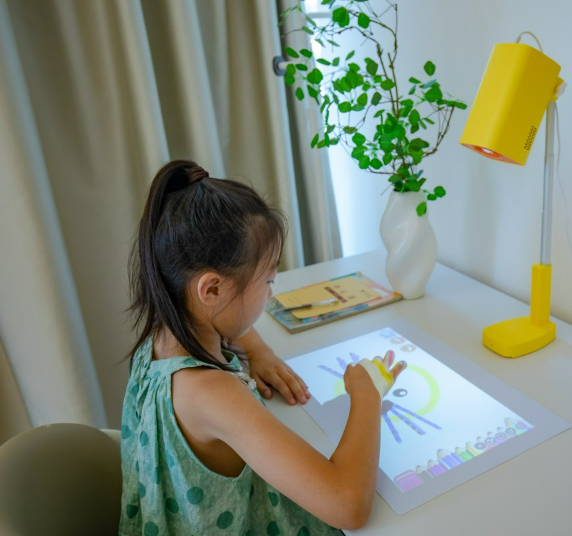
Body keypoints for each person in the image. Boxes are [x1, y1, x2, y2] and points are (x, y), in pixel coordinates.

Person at [120, 160, 405, 535]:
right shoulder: (212, 393)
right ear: (212, 289)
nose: (271, 294)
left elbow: (226, 322)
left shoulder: (163, 328)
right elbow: (347, 505)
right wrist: (367, 395)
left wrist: (258, 351)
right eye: (268, 280)